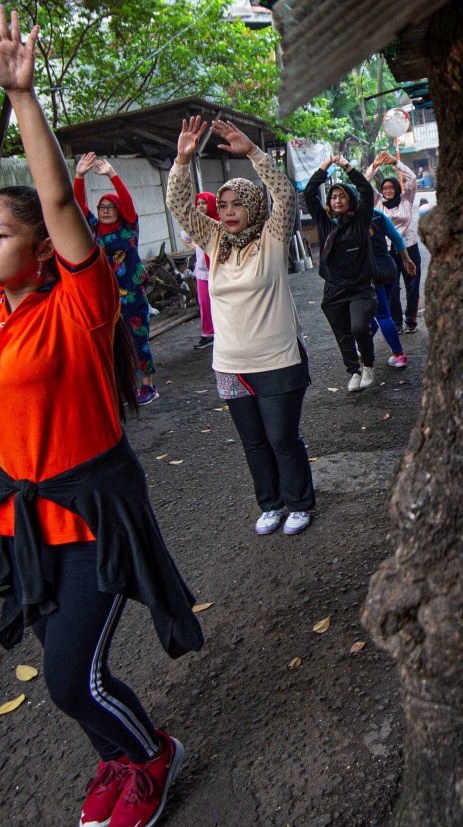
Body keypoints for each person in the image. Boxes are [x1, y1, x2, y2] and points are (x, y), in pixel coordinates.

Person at [0, 9, 203, 827]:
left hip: (94, 508)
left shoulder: (80, 304)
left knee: (65, 676)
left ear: (42, 250)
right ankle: (119, 756)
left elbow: (54, 195)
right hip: (26, 515)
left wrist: (19, 97)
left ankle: (150, 754)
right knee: (72, 670)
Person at [167, 116, 315, 536]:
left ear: (253, 206)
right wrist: (181, 160)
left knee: (282, 438)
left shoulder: (272, 237)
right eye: (225, 205)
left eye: (237, 204)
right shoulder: (215, 241)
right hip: (229, 364)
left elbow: (284, 193)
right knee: (253, 442)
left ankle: (300, 503)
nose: (229, 212)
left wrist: (252, 152)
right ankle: (271, 504)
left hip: (277, 360)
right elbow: (179, 206)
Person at [74, 153, 158, 405]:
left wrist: (112, 174)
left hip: (132, 293)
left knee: (138, 338)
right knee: (111, 342)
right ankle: (122, 386)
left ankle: (148, 386)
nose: (106, 211)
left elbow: (127, 201)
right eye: (102, 207)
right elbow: (77, 205)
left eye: (111, 207)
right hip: (104, 296)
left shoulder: (129, 227)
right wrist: (79, 176)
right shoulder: (94, 228)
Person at [304, 155, 377, 393]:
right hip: (334, 289)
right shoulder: (326, 224)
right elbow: (309, 193)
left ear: (350, 200)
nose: (337, 200)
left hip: (360, 287)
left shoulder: (361, 219)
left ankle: (367, 365)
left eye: (342, 196)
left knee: (358, 328)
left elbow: (366, 189)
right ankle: (353, 371)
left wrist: (347, 167)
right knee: (343, 334)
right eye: (333, 197)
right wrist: (324, 166)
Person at [364, 151, 421, 333]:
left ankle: (411, 319)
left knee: (413, 285)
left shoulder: (406, 199)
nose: (388, 190)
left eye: (391, 187)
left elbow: (412, 177)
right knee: (392, 287)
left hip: (409, 248)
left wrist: (395, 162)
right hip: (387, 251)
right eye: (385, 187)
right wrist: (375, 165)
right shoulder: (377, 201)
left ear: (397, 188)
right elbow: (364, 183)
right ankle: (396, 321)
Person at [369, 210, 417, 368]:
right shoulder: (377, 214)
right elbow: (396, 237)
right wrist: (407, 259)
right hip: (390, 268)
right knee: (378, 313)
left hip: (372, 272)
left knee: (382, 315)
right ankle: (365, 342)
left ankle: (399, 355)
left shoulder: (351, 219)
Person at [180, 192, 219, 349]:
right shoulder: (194, 223)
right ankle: (208, 334)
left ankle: (224, 332)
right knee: (204, 302)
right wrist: (195, 247)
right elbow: (184, 237)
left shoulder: (217, 222)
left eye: (204, 203)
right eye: (198, 203)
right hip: (202, 270)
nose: (201, 206)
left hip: (218, 269)